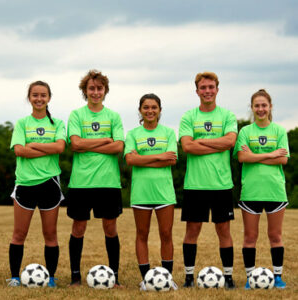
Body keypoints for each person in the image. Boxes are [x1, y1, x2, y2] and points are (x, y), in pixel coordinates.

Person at [179, 72, 238, 289]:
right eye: (203, 87)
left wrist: (201, 142)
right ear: (197, 91)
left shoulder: (227, 116)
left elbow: (231, 142)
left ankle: (229, 277)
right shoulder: (188, 117)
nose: (207, 91)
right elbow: (187, 146)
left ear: (217, 89)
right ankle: (188, 278)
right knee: (192, 231)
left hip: (221, 184)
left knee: (224, 231)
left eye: (211, 87)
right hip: (195, 184)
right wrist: (217, 142)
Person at [67, 70, 124, 287]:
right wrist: (104, 141)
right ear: (85, 91)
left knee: (110, 228)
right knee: (78, 228)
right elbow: (76, 145)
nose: (96, 92)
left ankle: (115, 277)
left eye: (99, 88)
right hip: (81, 182)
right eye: (91, 88)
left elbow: (118, 146)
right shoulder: (76, 115)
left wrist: (89, 143)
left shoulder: (114, 116)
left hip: (108, 182)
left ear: (105, 91)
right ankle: (74, 277)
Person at [7, 81, 66, 287]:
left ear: (49, 98)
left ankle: (50, 278)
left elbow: (59, 147)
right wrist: (44, 148)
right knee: (19, 233)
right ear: (29, 98)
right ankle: (14, 277)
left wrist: (33, 145)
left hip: (49, 183)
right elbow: (19, 151)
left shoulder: (57, 124)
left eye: (43, 95)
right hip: (25, 183)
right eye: (35, 95)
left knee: (50, 234)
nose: (39, 98)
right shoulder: (22, 123)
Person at [233, 89, 289, 289]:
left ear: (270, 106)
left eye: (264, 105)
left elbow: (283, 159)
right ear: (252, 108)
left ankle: (278, 277)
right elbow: (242, 157)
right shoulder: (246, 132)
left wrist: (254, 155)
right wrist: (271, 154)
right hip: (251, 191)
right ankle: (250, 278)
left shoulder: (279, 131)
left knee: (275, 236)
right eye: (257, 105)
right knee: (250, 237)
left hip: (275, 191)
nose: (261, 109)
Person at [124, 93, 178, 291]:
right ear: (140, 110)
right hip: (141, 191)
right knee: (142, 234)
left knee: (166, 234)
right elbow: (130, 160)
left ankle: (168, 278)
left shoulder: (169, 133)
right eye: (146, 107)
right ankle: (146, 280)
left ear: (160, 110)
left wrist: (143, 158)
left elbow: (172, 160)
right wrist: (159, 156)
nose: (150, 111)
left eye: (154, 107)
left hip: (164, 192)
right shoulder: (133, 134)